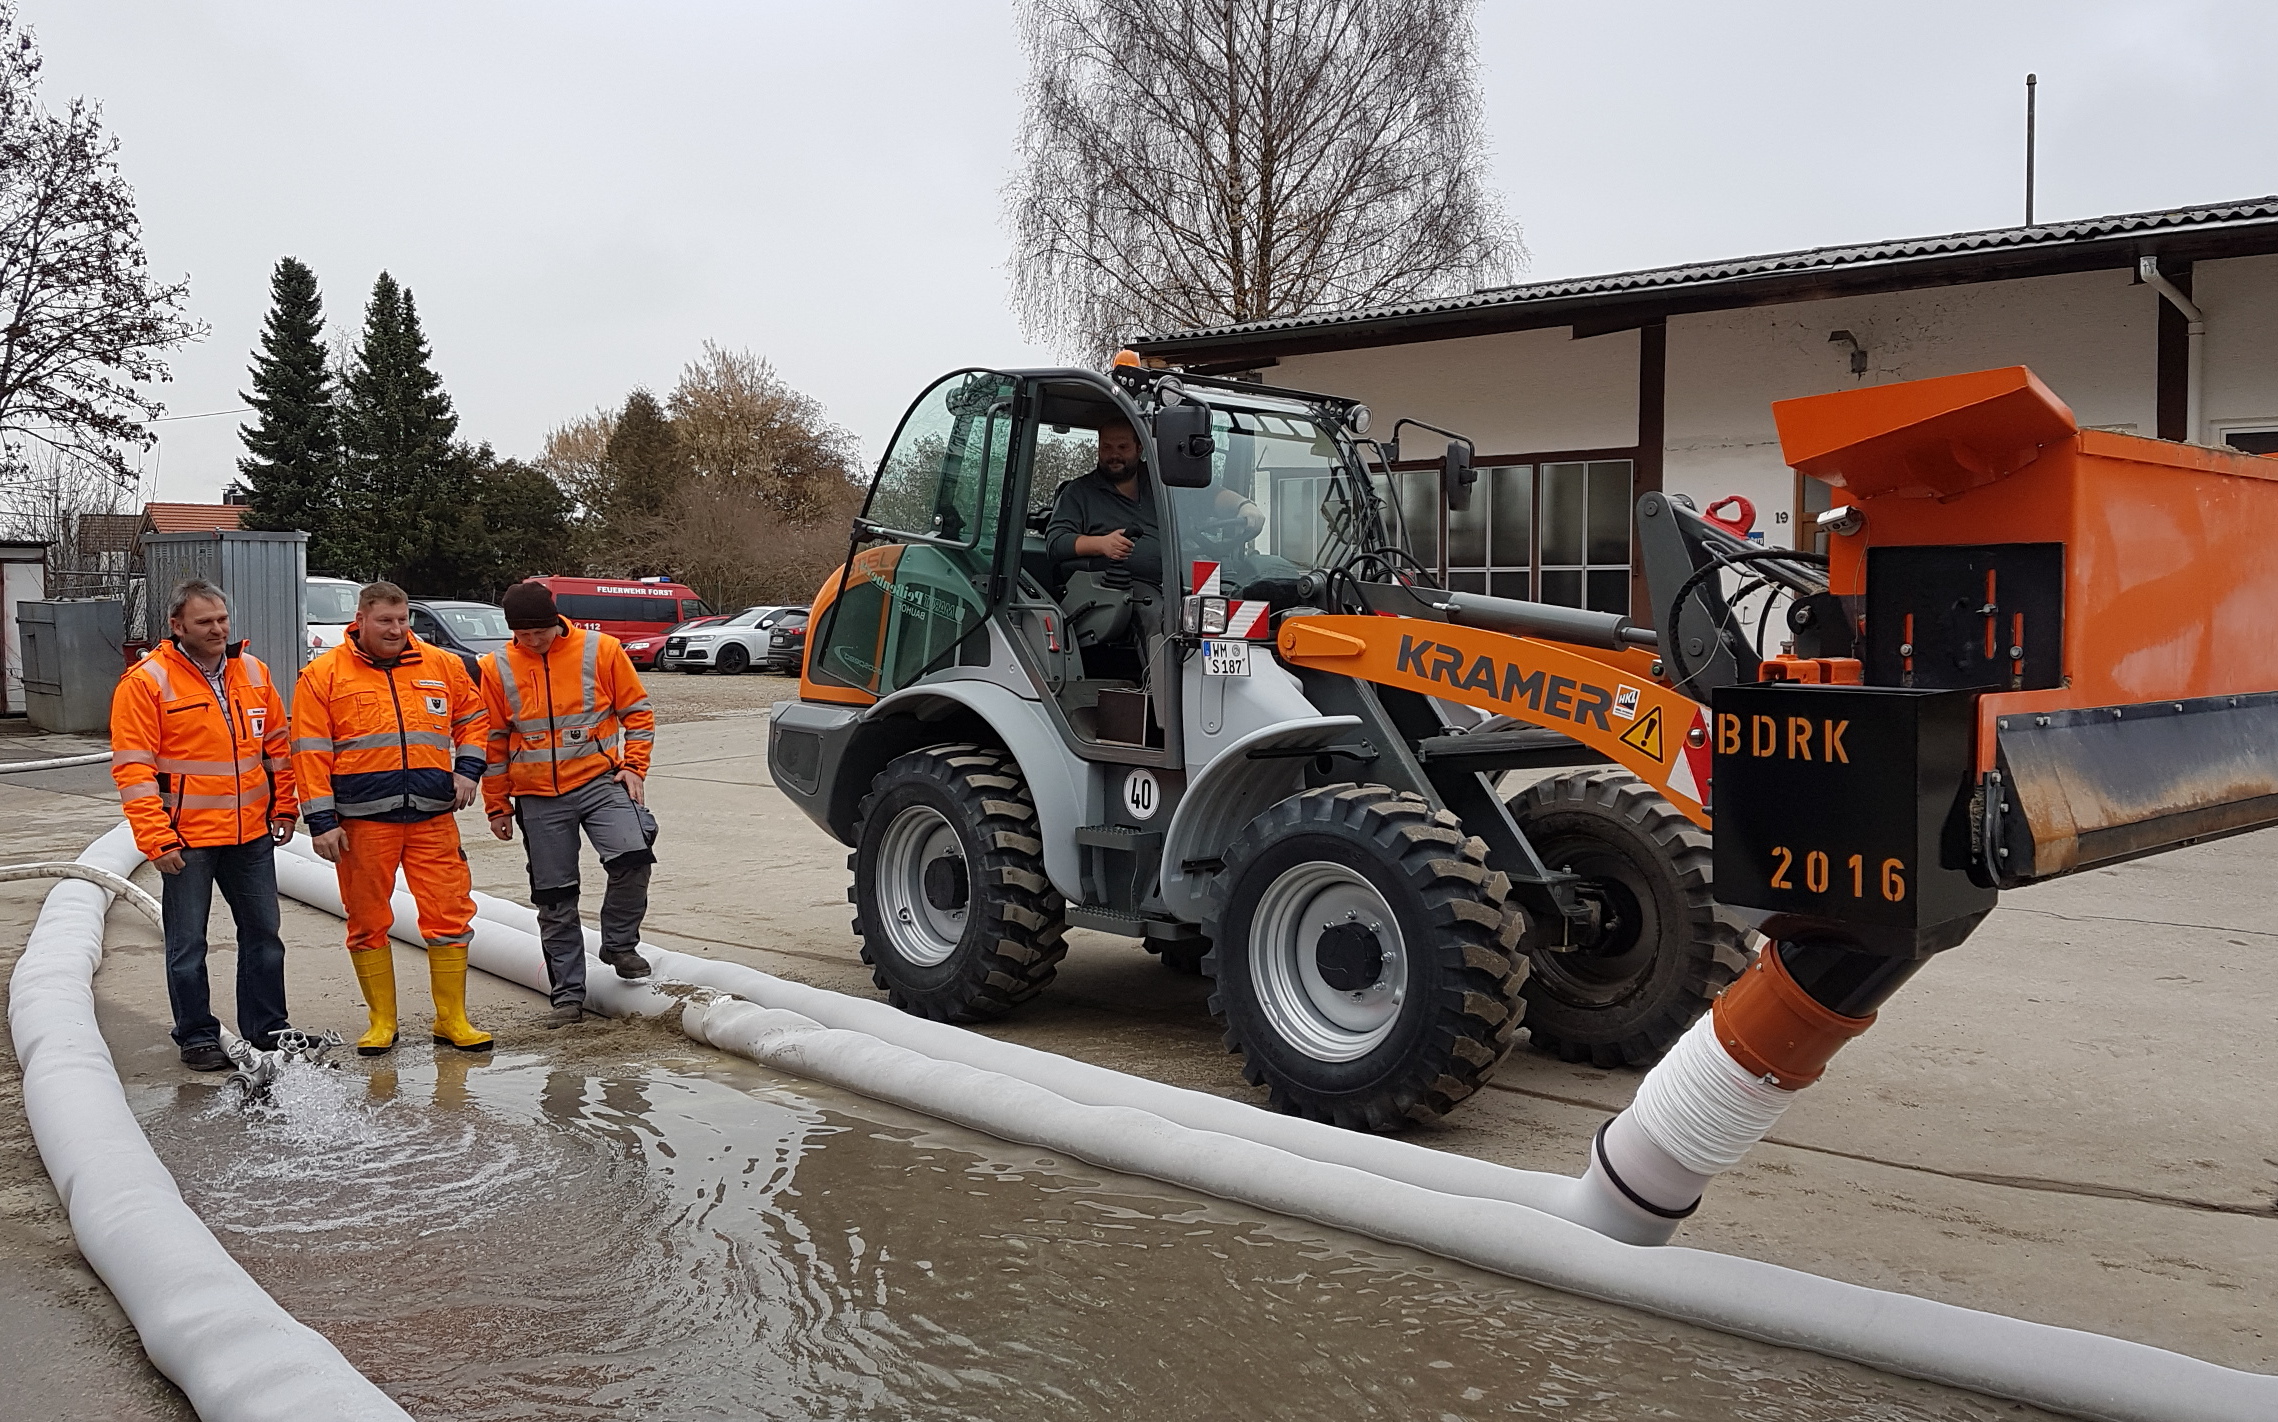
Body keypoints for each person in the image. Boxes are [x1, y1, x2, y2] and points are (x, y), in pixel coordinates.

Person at [292, 581, 492, 1056]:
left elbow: (474, 718)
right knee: (367, 921)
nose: (397, 629)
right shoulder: (323, 676)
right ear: (359, 621)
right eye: (385, 621)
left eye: (403, 620)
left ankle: (452, 1019)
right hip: (361, 823)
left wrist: (467, 770)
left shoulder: (442, 665)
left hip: (431, 817)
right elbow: (308, 751)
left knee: (449, 915)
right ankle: (382, 1022)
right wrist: (321, 822)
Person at [111, 579, 300, 1070]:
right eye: (205, 622)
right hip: (186, 839)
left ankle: (267, 1027)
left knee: (263, 934)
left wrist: (284, 808)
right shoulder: (146, 682)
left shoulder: (253, 671)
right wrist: (155, 838)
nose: (218, 630)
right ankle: (196, 1034)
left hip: (251, 835)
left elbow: (277, 748)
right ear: (177, 626)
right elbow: (133, 770)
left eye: (222, 620)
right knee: (188, 943)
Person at [480, 582, 659, 1025]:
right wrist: (497, 805)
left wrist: (634, 767)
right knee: (555, 897)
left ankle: (618, 943)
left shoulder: (600, 650)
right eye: (524, 635)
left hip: (599, 781)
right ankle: (568, 996)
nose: (534, 641)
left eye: (540, 632)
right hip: (538, 797)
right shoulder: (497, 667)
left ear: (555, 620)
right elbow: (494, 741)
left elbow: (637, 712)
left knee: (633, 857)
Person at [1044, 419, 1263, 595]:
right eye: (1106, 447)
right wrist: (1102, 544)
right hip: (1121, 591)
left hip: (1183, 583)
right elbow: (1056, 543)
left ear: (1139, 448)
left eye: (1122, 447)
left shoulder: (1164, 483)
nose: (1114, 455)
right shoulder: (1080, 492)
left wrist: (1244, 506)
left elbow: (1210, 496)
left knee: (1257, 585)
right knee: (1160, 625)